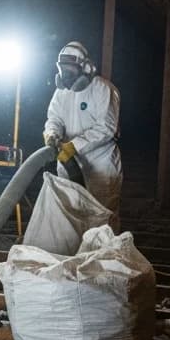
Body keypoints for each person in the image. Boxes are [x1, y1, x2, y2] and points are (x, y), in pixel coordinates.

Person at [43, 41, 123, 228]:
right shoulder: (62, 92)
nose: (66, 75)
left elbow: (106, 128)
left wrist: (74, 146)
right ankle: (75, 253)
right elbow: (54, 118)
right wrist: (52, 133)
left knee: (102, 217)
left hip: (100, 165)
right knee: (70, 215)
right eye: (63, 69)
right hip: (67, 162)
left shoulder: (103, 89)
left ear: (86, 67)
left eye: (70, 69)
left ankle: (102, 255)